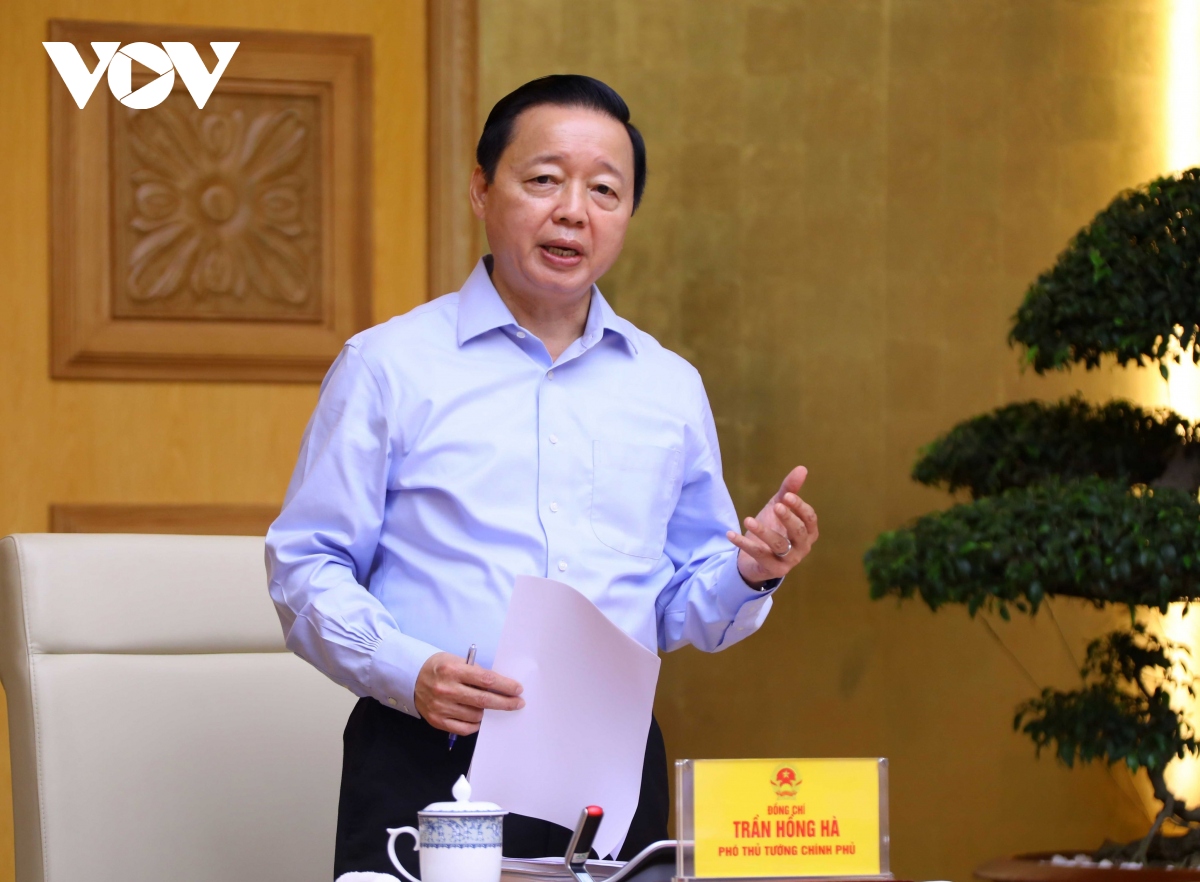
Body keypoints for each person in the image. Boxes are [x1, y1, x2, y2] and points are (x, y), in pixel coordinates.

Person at [265, 74, 818, 879]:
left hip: (609, 773)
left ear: (627, 214)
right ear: (481, 190)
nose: (573, 211)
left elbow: (676, 606)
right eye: (545, 180)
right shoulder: (388, 366)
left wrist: (751, 570)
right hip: (428, 753)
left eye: (605, 191)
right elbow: (305, 565)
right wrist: (409, 671)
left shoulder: (668, 388)